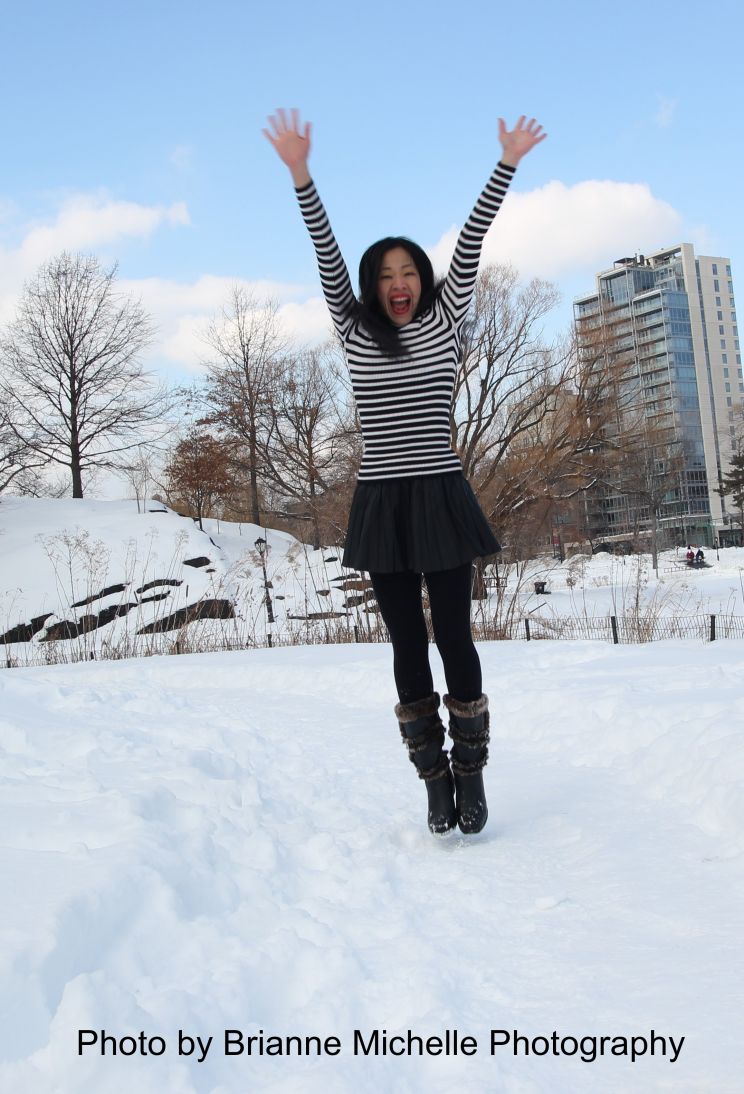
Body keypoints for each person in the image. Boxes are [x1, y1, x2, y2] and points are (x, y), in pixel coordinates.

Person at [264, 108, 546, 835]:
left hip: (442, 497)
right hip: (383, 504)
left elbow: (475, 234)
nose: (399, 282)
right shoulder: (355, 327)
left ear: (423, 280)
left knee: (455, 637)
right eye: (386, 274)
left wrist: (507, 162)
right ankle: (433, 780)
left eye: (409, 271)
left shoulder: (447, 316)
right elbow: (324, 247)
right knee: (405, 644)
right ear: (371, 285)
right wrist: (300, 172)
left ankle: (473, 773)